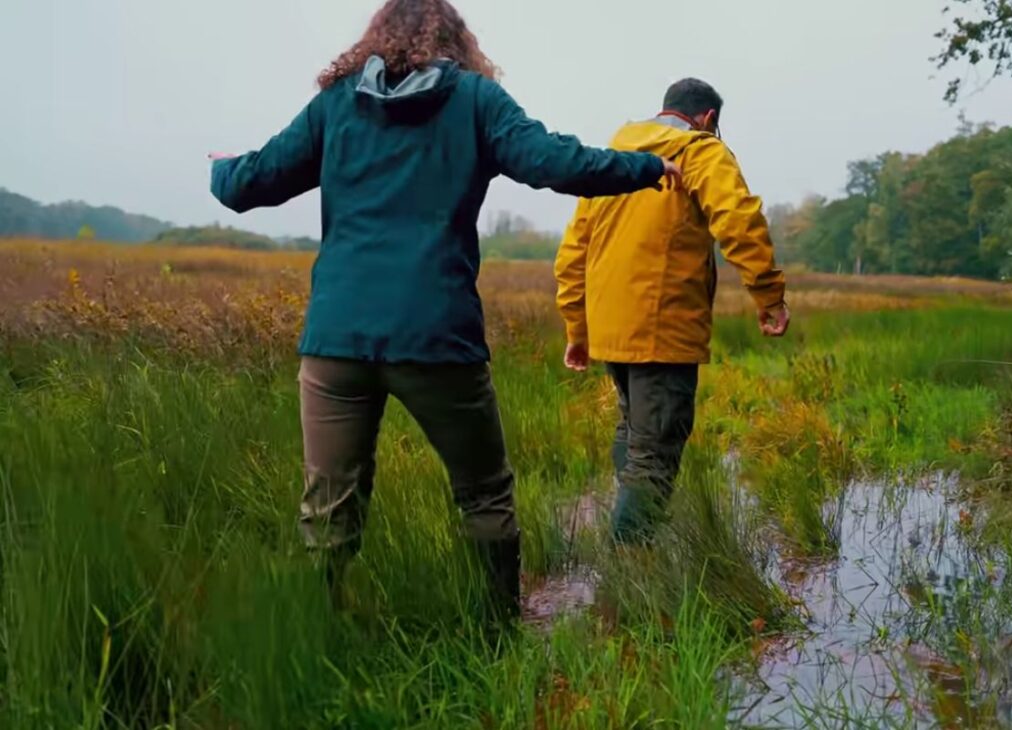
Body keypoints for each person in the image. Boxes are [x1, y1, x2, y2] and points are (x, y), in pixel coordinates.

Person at [208, 0, 683, 622]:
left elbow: (252, 182)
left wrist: (219, 171)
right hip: (435, 334)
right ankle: (496, 634)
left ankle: (312, 635)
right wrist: (648, 167)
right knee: (484, 495)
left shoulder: (338, 104)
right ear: (456, 40)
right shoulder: (477, 101)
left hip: (336, 340)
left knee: (327, 509)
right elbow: (554, 162)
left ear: (378, 36)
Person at [554, 77, 789, 545]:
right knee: (654, 453)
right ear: (709, 119)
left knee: (633, 433)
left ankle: (633, 547)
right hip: (661, 329)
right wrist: (769, 295)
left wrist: (577, 329)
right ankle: (630, 573)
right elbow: (739, 221)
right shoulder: (701, 151)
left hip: (610, 331)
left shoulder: (617, 158)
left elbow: (573, 251)